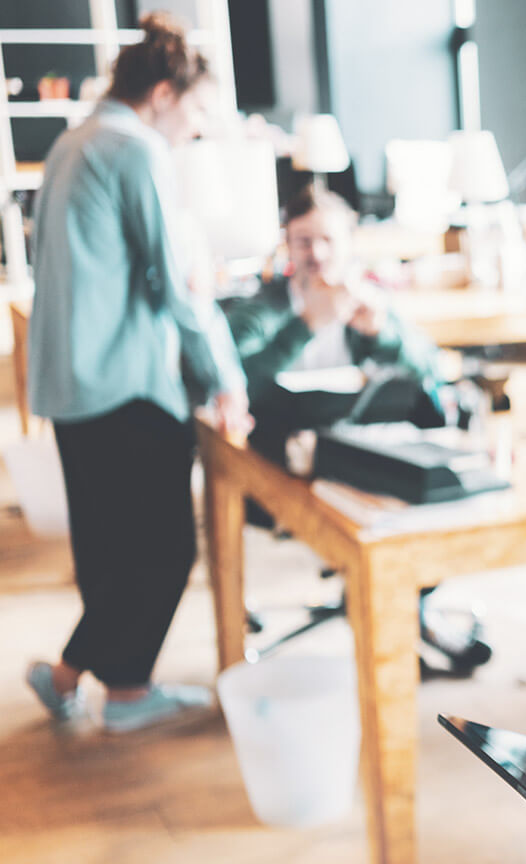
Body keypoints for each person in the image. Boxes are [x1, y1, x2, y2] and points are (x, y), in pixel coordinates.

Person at [24, 12, 252, 733]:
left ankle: (121, 686)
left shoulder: (72, 142)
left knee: (106, 544)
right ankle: (78, 676)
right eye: (196, 111)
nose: (196, 128)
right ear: (162, 92)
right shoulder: (135, 150)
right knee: (163, 547)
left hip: (70, 382)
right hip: (123, 382)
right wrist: (223, 376)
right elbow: (176, 283)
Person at [222, 184, 439, 413]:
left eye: (328, 240)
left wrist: (381, 333)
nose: (317, 253)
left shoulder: (368, 299)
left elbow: (431, 368)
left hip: (352, 430)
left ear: (349, 242)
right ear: (288, 245)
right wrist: (306, 324)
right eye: (304, 241)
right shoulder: (258, 309)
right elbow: (232, 383)